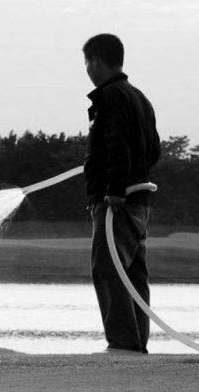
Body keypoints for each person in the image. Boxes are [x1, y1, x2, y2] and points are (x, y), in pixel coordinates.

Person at [83, 34, 161, 354]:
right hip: (139, 201)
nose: (87, 69)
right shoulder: (139, 97)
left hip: (118, 202)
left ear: (96, 62)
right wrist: (134, 179)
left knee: (108, 266)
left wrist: (115, 188)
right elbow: (152, 149)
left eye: (87, 62)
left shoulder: (111, 96)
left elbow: (117, 143)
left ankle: (123, 343)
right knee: (133, 271)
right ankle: (136, 341)